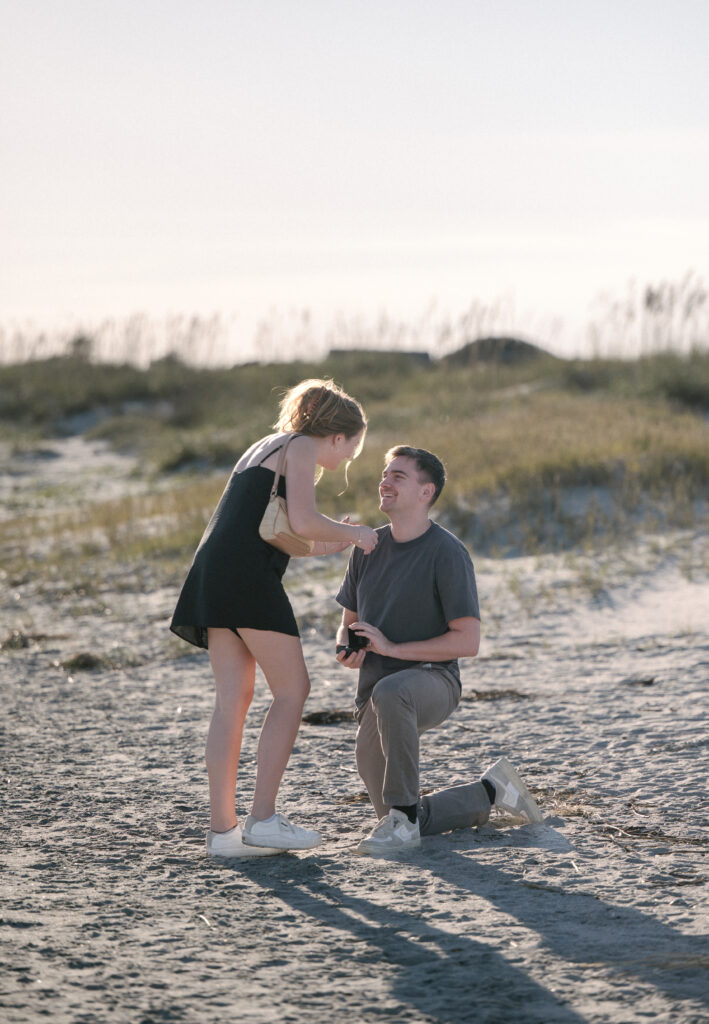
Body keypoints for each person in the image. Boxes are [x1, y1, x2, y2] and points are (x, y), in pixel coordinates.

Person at [171, 379, 378, 858]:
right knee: (293, 690)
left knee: (232, 701)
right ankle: (263, 818)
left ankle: (223, 833)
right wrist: (363, 534)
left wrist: (341, 539)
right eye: (351, 447)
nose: (348, 459)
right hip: (246, 581)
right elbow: (304, 522)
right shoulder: (302, 446)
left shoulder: (267, 446)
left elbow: (282, 533)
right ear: (336, 436)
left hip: (215, 573)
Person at [335, 445, 542, 855]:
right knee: (395, 815)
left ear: (426, 492)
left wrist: (393, 647)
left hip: (433, 681)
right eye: (385, 473)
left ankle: (404, 817)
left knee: (392, 695)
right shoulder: (367, 547)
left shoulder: (447, 552)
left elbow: (468, 641)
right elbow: (346, 625)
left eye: (399, 476)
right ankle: (490, 792)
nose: (385, 481)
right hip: (374, 696)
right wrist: (347, 649)